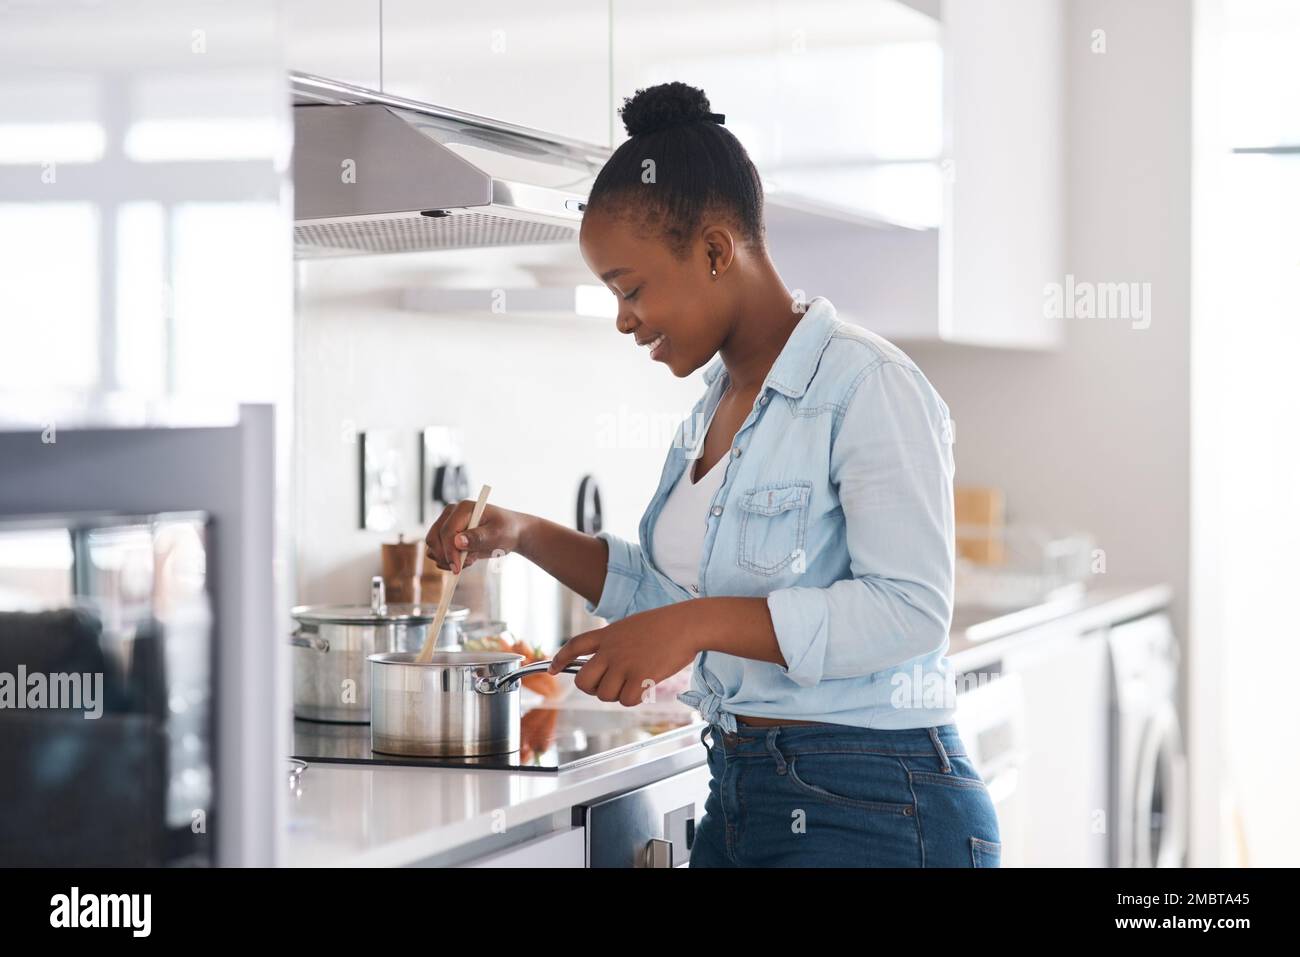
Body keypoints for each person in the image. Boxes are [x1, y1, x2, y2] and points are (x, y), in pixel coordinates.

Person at [425, 82, 1000, 867]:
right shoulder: (715, 404)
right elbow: (672, 602)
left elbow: (908, 612)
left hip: (877, 803)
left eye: (631, 288)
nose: (624, 318)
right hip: (744, 789)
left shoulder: (866, 385)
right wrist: (522, 533)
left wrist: (691, 627)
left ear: (716, 251)